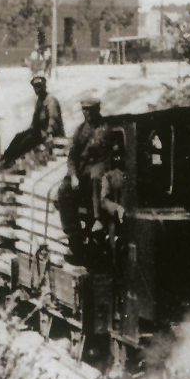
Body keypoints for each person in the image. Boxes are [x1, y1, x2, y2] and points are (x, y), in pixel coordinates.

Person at [57, 97, 114, 268]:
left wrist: (101, 169)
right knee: (63, 190)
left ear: (98, 110)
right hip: (82, 172)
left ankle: (98, 219)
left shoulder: (105, 128)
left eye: (90, 110)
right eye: (84, 110)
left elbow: (108, 155)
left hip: (99, 167)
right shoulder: (81, 130)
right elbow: (72, 156)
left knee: (97, 177)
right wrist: (73, 176)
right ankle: (72, 232)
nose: (87, 113)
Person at [0, 75, 64, 169]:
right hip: (38, 132)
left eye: (39, 86)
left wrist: (49, 133)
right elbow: (35, 121)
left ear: (44, 86)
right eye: (35, 87)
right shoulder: (39, 101)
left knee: (26, 141)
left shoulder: (50, 100)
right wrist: (29, 130)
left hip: (48, 134)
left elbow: (53, 120)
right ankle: (4, 158)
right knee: (19, 136)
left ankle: (8, 161)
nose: (37, 89)